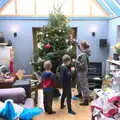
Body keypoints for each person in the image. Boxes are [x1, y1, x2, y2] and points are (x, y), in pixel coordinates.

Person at [75, 40, 91, 105]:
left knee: (84, 85)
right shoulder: (85, 51)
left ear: (83, 46)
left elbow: (83, 65)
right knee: (79, 83)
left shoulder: (84, 54)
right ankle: (80, 94)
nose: (80, 47)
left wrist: (76, 62)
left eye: (81, 46)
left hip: (82, 72)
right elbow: (81, 49)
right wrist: (77, 44)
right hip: (81, 72)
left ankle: (86, 100)